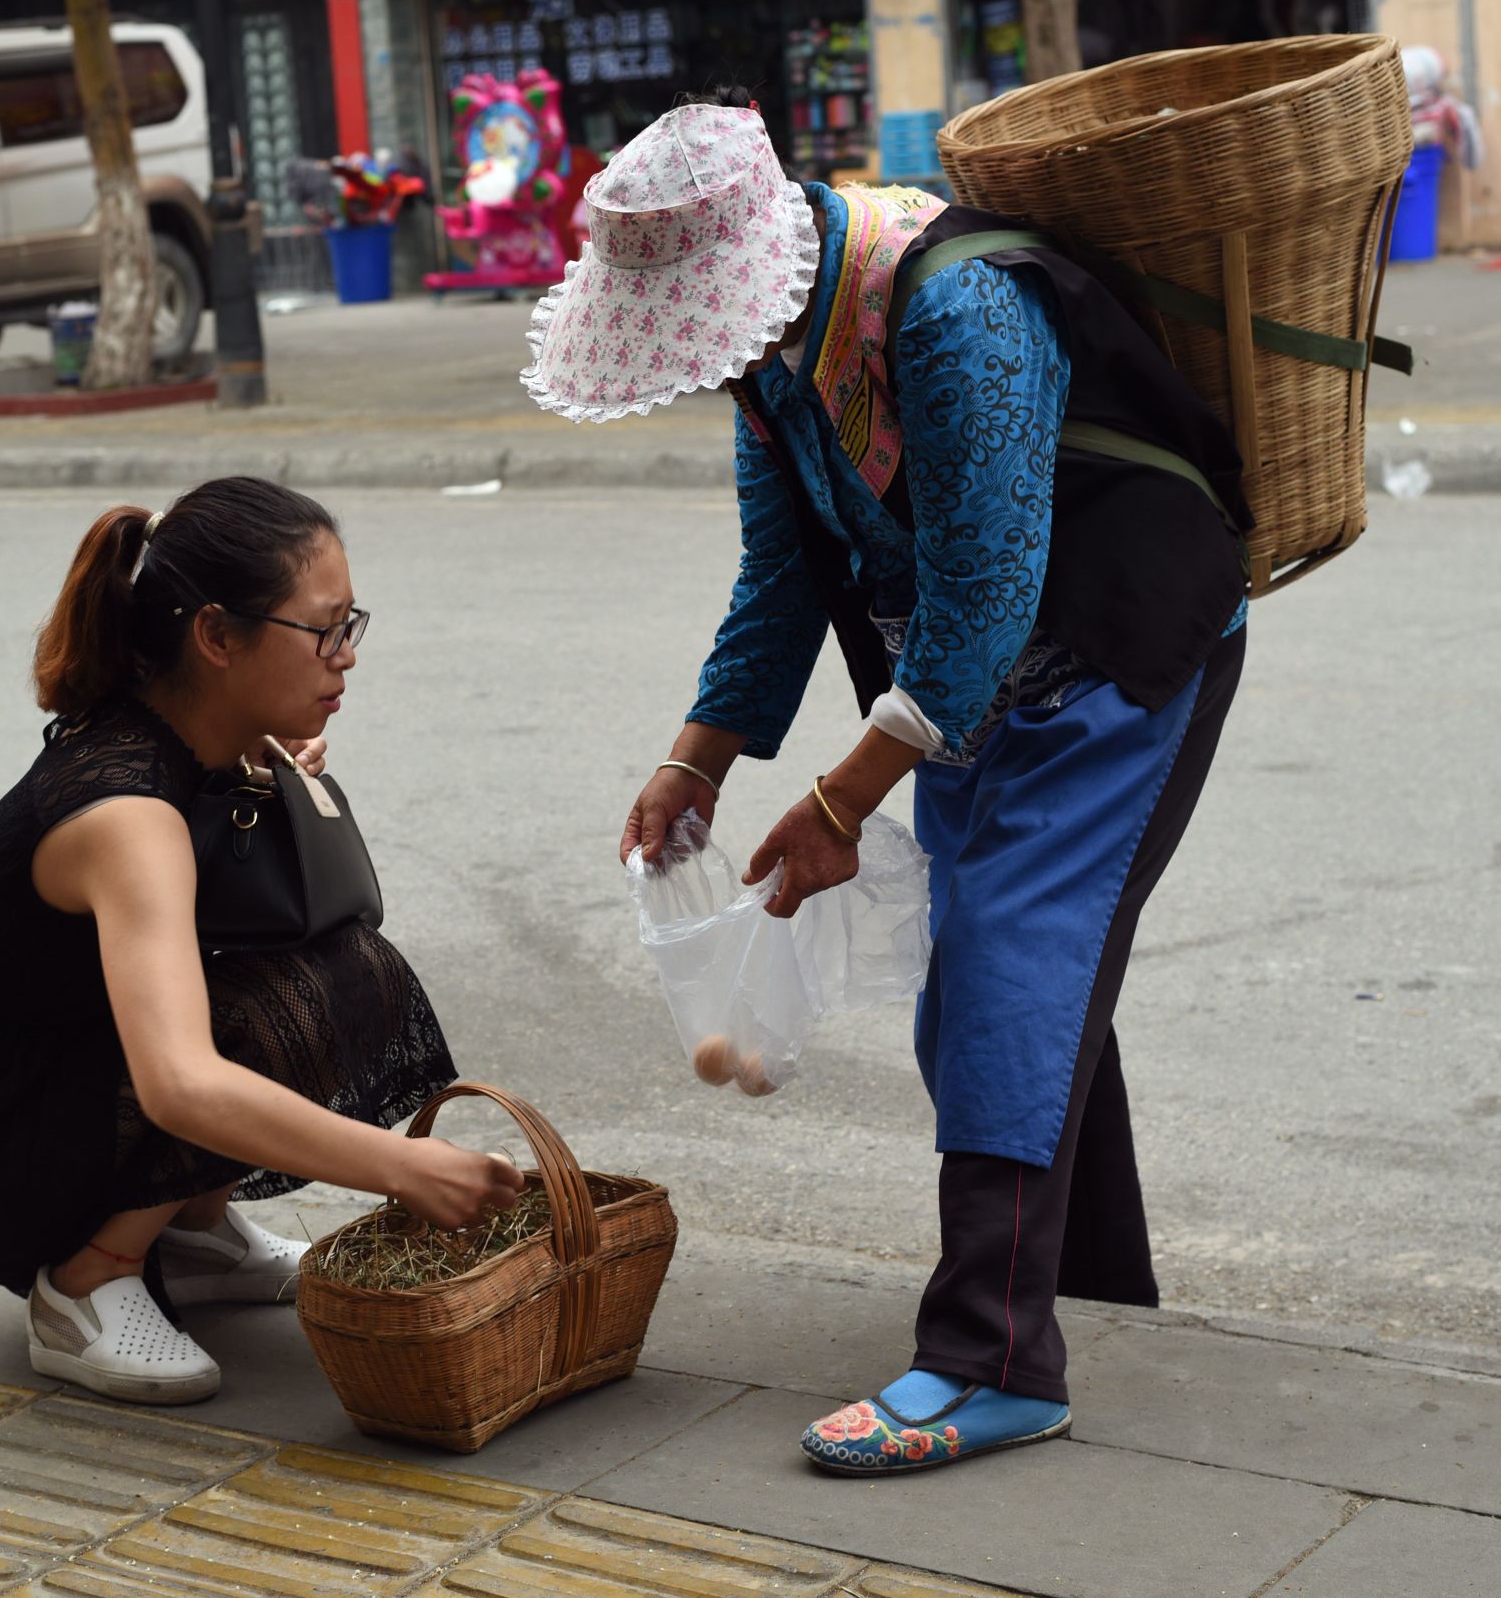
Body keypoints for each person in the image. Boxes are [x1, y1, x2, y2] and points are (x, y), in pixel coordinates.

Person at [525, 95, 1250, 1472]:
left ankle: (990, 1358)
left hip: (1116, 636)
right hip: (963, 679)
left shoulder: (953, 311)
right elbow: (782, 575)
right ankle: (1087, 1288)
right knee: (996, 979)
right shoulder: (774, 355)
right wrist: (697, 757)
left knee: (1010, 951)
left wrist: (841, 796)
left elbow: (983, 589)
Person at [0, 477, 524, 1405]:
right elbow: (177, 1081)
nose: (346, 658)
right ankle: (86, 1283)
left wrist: (254, 778)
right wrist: (402, 1168)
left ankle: (189, 1233)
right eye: (324, 629)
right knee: (272, 1011)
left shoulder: (190, 743)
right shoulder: (125, 810)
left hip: (67, 1076)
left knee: (341, 970)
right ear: (217, 637)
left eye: (353, 625)